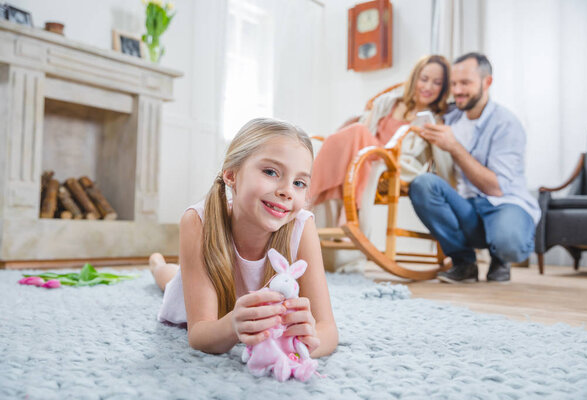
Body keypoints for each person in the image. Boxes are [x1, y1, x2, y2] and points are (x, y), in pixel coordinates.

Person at [151, 118, 338, 358]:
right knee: (169, 280)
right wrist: (231, 326)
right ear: (231, 175)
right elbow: (199, 334)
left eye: (299, 182)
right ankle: (156, 263)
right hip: (208, 296)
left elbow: (328, 330)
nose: (287, 191)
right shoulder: (198, 221)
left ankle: (162, 265)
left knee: (175, 273)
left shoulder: (302, 226)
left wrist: (306, 344)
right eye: (271, 172)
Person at [409, 53, 541, 283]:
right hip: (466, 207)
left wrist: (454, 147)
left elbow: (496, 188)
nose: (458, 91)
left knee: (509, 243)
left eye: (465, 83)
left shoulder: (506, 123)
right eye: (454, 84)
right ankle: (464, 263)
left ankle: (501, 257)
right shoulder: (447, 117)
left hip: (503, 204)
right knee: (423, 184)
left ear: (486, 82)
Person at [309, 55, 452, 216]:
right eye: (424, 79)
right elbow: (365, 128)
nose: (428, 86)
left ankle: (307, 194)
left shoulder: (433, 122)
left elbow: (441, 162)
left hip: (390, 162)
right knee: (348, 138)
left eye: (437, 83)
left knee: (358, 132)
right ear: (415, 78)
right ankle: (324, 209)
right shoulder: (387, 102)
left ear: (443, 88)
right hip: (364, 156)